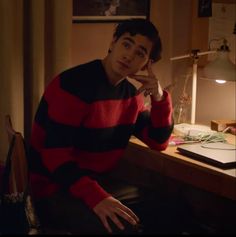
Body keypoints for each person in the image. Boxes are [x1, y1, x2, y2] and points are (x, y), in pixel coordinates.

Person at [28, 18, 176, 234]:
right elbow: (54, 156)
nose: (129, 55)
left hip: (95, 184)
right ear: (113, 42)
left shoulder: (130, 96)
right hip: (54, 188)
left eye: (140, 53)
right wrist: (97, 197)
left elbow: (158, 141)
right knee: (122, 228)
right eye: (126, 44)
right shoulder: (73, 85)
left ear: (146, 64)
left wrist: (160, 97)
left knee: (169, 208)